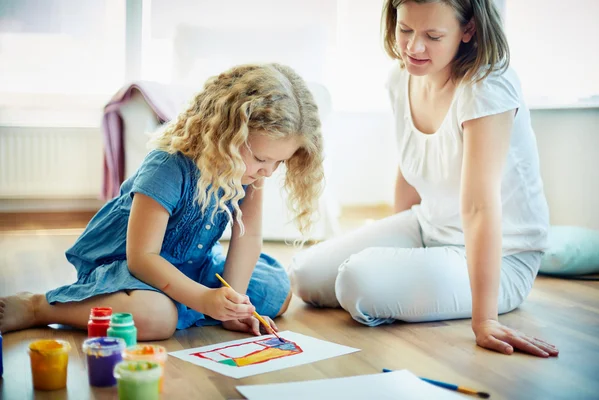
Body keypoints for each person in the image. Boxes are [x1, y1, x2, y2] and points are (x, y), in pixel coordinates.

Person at [289, 0, 559, 358]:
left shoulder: (487, 85)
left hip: (503, 257)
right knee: (306, 275)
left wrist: (486, 320)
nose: (414, 48)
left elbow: (480, 206)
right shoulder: (400, 78)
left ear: (468, 30)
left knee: (357, 282)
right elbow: (410, 169)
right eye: (405, 30)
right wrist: (391, 252)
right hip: (428, 227)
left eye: (433, 35)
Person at [0, 63, 324, 340]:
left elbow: (248, 237)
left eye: (278, 163)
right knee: (156, 318)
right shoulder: (168, 165)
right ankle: (40, 306)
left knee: (278, 293)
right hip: (130, 266)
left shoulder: (251, 173)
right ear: (227, 134)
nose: (267, 172)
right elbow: (142, 258)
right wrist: (203, 299)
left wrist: (231, 305)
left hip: (190, 265)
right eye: (261, 158)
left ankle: (195, 305)